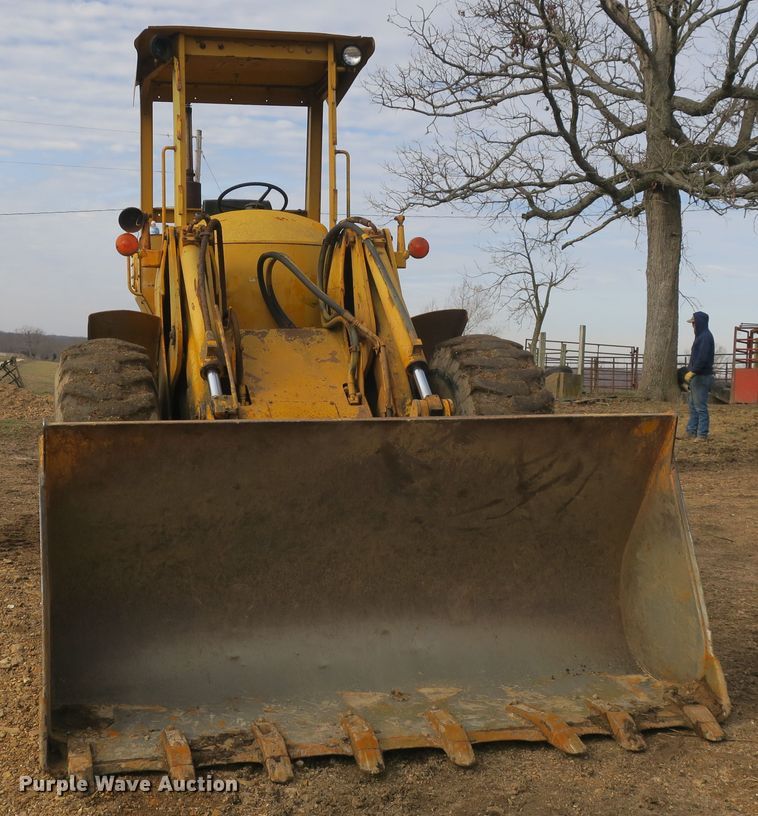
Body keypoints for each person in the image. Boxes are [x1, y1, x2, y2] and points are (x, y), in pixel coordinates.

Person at [683, 311, 715, 440]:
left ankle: (702, 434)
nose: (692, 326)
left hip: (701, 376)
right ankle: (691, 431)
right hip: (697, 376)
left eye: (694, 323)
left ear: (699, 323)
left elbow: (702, 358)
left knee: (700, 406)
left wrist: (693, 371)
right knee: (692, 405)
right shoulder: (701, 336)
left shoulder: (705, 337)